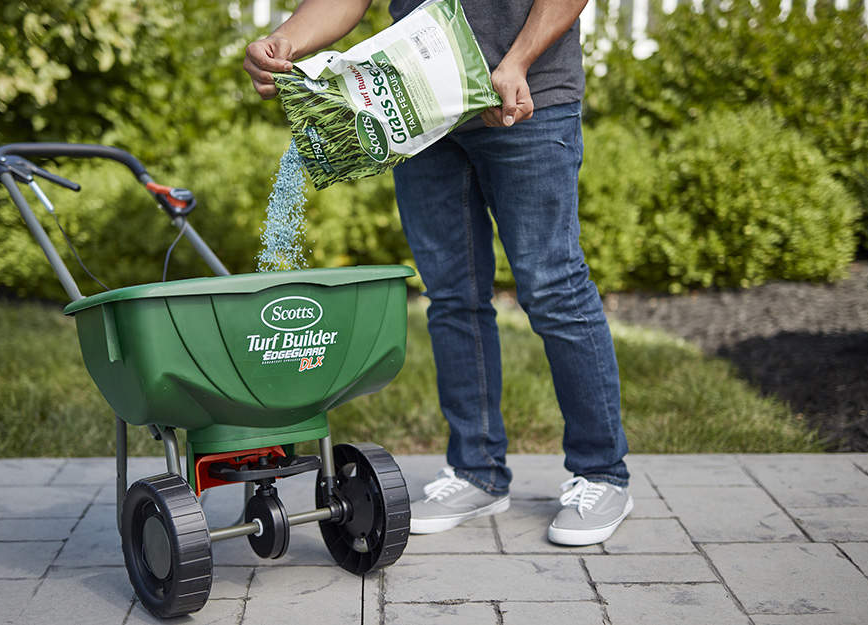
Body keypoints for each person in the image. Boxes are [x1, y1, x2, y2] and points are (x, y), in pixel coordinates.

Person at [244, 0, 632, 546]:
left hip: (524, 97)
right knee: (452, 296)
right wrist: (285, 40)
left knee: (553, 288)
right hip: (419, 110)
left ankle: (602, 473)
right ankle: (477, 472)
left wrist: (517, 59)